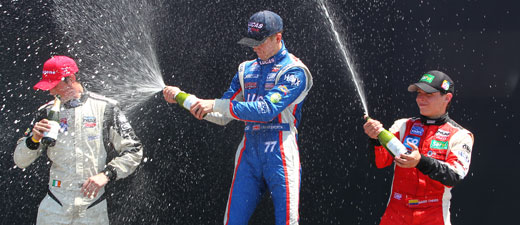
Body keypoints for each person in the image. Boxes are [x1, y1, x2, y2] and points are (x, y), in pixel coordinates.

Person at [163, 10, 313, 225]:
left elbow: (265, 110)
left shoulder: (294, 71)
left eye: (260, 42)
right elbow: (221, 115)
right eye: (252, 41)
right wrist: (183, 99)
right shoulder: (246, 69)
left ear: (278, 37)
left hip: (280, 152)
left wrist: (213, 104)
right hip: (248, 152)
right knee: (232, 221)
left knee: (288, 222)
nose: (255, 47)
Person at [14, 55, 143, 225]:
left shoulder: (105, 108)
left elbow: (134, 150)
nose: (51, 92)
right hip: (55, 206)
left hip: (92, 208)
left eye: (54, 85)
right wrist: (33, 140)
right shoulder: (45, 112)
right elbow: (20, 160)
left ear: (71, 79)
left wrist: (107, 174)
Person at [363, 70, 474, 225]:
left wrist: (420, 161)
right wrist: (374, 139)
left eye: (428, 94)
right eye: (419, 93)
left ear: (447, 98)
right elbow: (380, 162)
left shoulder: (460, 135)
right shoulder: (402, 125)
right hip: (396, 213)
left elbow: (453, 177)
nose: (420, 99)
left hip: (433, 215)